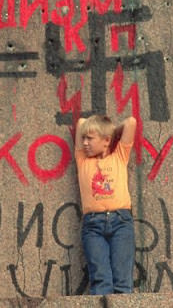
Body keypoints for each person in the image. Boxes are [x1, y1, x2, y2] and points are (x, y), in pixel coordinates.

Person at [74, 114, 137, 295]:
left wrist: (111, 133)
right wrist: (98, 133)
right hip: (93, 226)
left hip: (121, 223)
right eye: (83, 138)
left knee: (123, 282)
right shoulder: (83, 160)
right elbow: (80, 122)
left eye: (90, 139)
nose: (85, 142)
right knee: (101, 281)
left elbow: (131, 122)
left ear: (106, 140)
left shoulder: (119, 156)